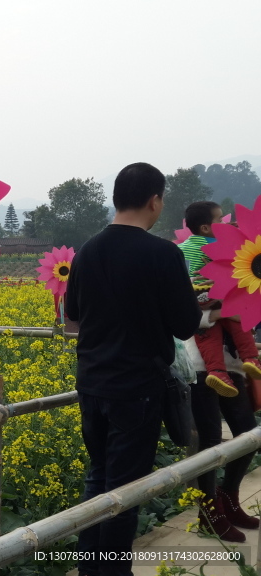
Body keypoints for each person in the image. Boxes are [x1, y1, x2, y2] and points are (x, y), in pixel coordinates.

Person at [65, 162, 202, 576]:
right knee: (125, 489)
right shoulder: (163, 253)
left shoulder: (87, 250)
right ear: (154, 200)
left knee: (99, 476)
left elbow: (73, 314)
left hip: (91, 383)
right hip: (137, 388)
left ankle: (91, 567)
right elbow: (185, 323)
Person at [177, 200, 261, 396]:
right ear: (206, 227)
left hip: (195, 295)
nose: (224, 222)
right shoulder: (217, 243)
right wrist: (236, 232)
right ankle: (250, 358)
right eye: (220, 219)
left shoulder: (184, 247)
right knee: (237, 321)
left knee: (207, 334)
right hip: (216, 289)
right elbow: (238, 252)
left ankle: (216, 371)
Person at [185, 325, 260, 542]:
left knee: (248, 437)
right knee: (210, 440)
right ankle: (209, 511)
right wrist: (218, 314)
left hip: (233, 367)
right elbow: (190, 316)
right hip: (201, 367)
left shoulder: (242, 288)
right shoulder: (199, 289)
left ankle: (228, 497)